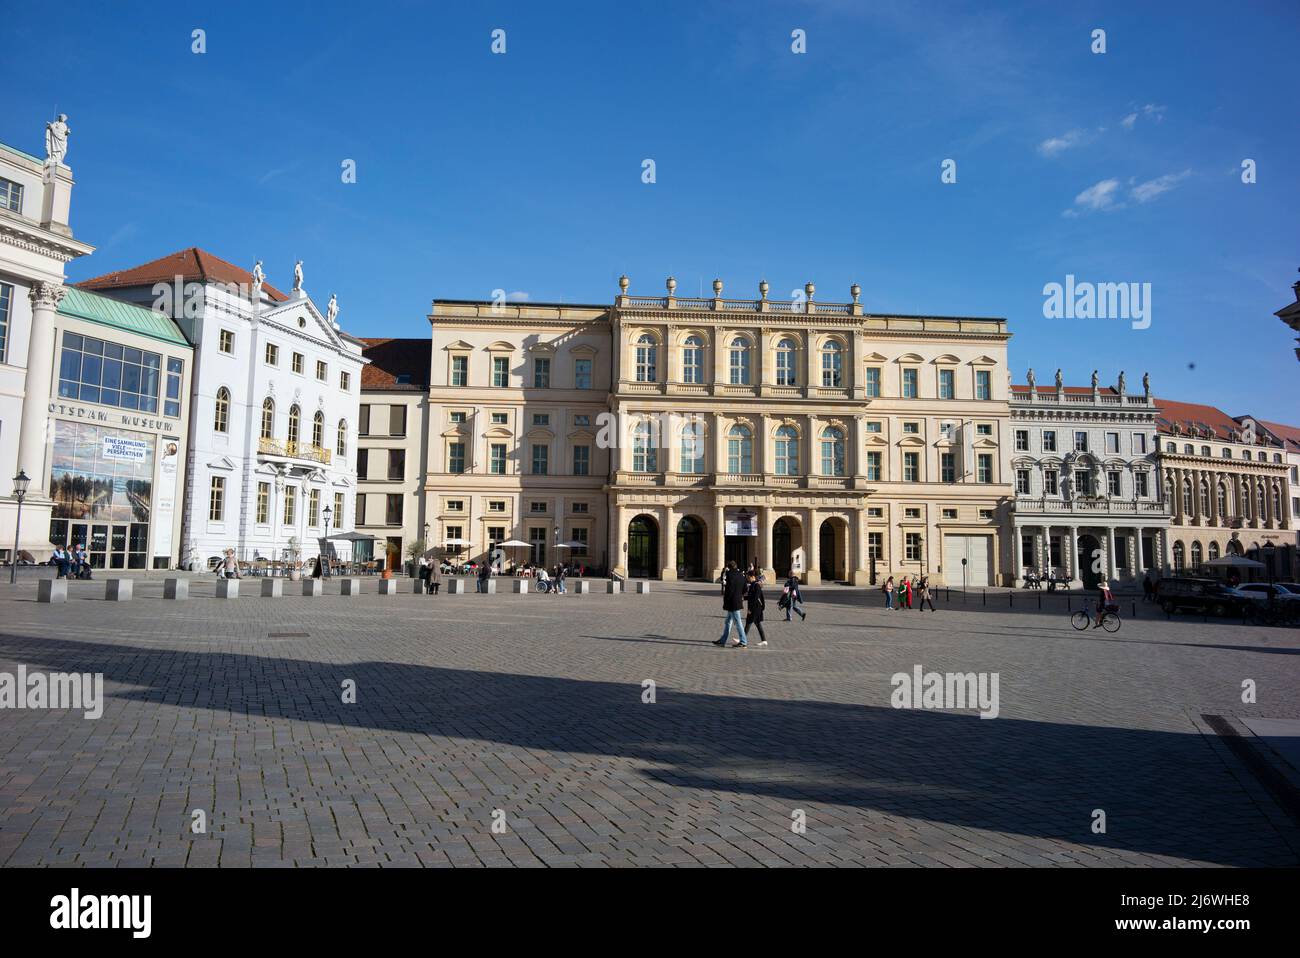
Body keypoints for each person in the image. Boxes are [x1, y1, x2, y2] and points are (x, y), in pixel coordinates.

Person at [714, 561, 748, 648]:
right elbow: (745, 589)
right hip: (737, 601)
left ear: (729, 567)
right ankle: (722, 640)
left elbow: (726, 585)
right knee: (728, 621)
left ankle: (743, 641)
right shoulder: (741, 575)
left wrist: (725, 572)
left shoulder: (729, 575)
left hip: (731, 602)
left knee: (738, 621)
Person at [743, 571, 768, 647]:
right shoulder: (752, 585)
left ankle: (742, 639)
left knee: (748, 623)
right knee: (757, 624)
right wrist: (743, 598)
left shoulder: (756, 585)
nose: (747, 579)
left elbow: (755, 598)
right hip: (755, 608)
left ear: (752, 577)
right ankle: (764, 640)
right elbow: (751, 596)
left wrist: (750, 609)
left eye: (748, 577)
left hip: (755, 608)